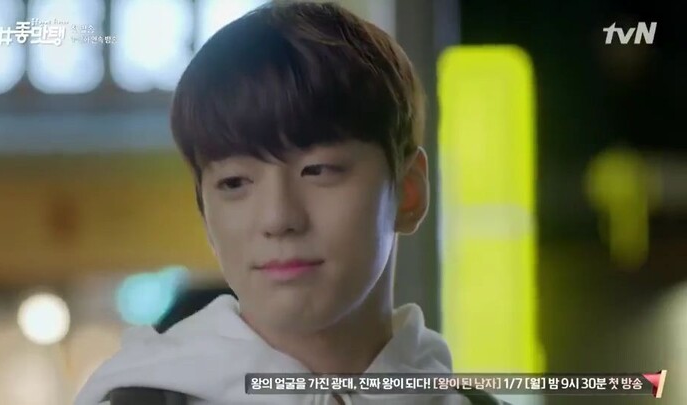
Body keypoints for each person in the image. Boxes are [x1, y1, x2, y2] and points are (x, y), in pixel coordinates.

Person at [75, 2, 505, 404]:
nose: (279, 217)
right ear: (206, 214)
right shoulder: (144, 396)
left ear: (409, 191)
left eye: (319, 171)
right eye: (234, 182)